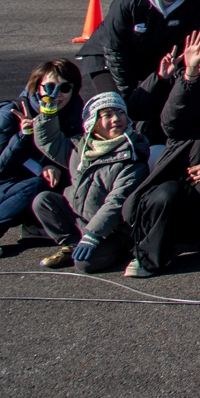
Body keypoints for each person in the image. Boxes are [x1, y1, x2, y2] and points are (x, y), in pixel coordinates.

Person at [0, 60, 82, 260]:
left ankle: (34, 225)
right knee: (38, 184)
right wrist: (24, 135)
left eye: (64, 88)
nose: (56, 94)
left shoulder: (73, 113)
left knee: (71, 172)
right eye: (49, 87)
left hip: (22, 184)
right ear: (36, 87)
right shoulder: (9, 113)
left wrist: (51, 164)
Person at [124, 80, 200, 276]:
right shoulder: (184, 132)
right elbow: (174, 114)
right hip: (171, 213)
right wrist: (189, 77)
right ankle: (150, 257)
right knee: (168, 191)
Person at [79, 0, 200, 125]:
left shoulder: (192, 2)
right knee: (118, 109)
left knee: (151, 110)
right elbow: (115, 50)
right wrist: (128, 92)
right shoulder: (129, 1)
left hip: (147, 61)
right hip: (106, 59)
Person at [31, 91, 148, 272]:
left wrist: (93, 234)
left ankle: (120, 248)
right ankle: (73, 244)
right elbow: (50, 143)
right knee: (44, 200)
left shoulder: (132, 154)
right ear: (92, 122)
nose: (117, 119)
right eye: (107, 115)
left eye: (121, 113)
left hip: (113, 229)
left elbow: (117, 201)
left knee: (85, 265)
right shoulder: (82, 147)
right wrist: (47, 113)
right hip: (81, 218)